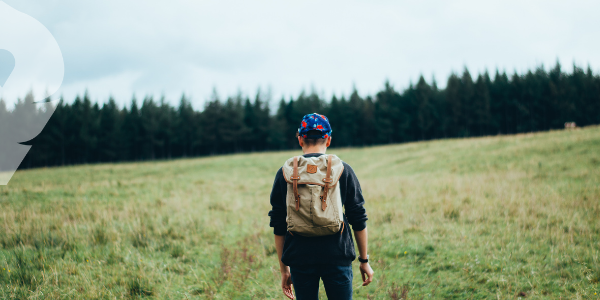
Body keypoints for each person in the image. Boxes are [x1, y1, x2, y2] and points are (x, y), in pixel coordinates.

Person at [268, 113, 374, 300]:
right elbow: (358, 217)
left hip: (300, 258)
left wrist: (284, 269)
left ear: (300, 139)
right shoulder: (343, 169)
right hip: (337, 256)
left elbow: (278, 223)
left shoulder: (285, 173)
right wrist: (364, 260)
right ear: (328, 139)